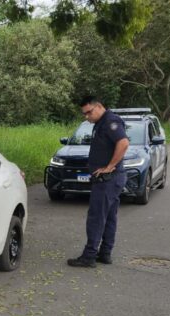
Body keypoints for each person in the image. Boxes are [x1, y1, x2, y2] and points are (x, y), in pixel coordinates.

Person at [67, 96, 129, 268]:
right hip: (111, 179)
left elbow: (123, 143)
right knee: (109, 217)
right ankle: (105, 253)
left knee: (96, 217)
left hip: (108, 180)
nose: (87, 117)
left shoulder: (111, 121)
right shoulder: (101, 123)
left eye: (89, 112)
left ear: (99, 106)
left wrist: (110, 166)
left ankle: (89, 256)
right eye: (84, 114)